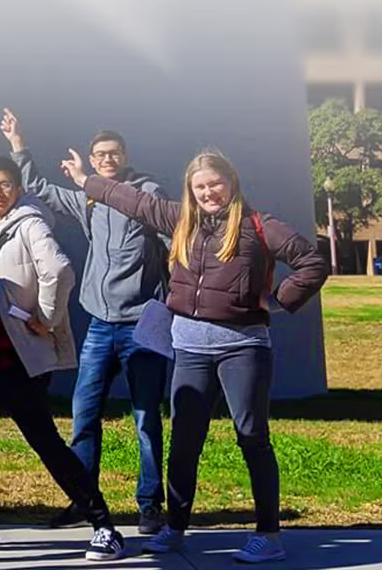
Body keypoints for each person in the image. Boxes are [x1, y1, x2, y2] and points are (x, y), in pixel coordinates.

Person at [61, 149, 328, 564]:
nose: (208, 193)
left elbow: (312, 262)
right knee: (184, 442)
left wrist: (277, 300)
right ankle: (175, 527)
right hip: (189, 348)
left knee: (252, 437)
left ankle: (268, 536)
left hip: (243, 348)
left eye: (215, 183)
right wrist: (85, 182)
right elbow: (134, 201)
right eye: (199, 186)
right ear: (191, 190)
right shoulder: (181, 220)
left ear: (231, 182)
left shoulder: (259, 226)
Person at [1, 109, 170, 532]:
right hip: (99, 325)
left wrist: (172, 301)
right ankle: (83, 499)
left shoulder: (148, 194)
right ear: (92, 160)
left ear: (125, 155)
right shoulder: (88, 198)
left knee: (146, 418)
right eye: (100, 155)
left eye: (114, 153)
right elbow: (39, 188)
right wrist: (18, 145)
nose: (107, 159)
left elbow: (175, 245)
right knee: (84, 413)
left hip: (141, 326)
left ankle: (150, 504)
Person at [0, 157, 124, 561]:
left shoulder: (30, 224)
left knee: (46, 445)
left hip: (17, 364)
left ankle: (104, 526)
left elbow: (60, 271)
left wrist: (45, 318)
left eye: (4, 184)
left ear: (18, 188)